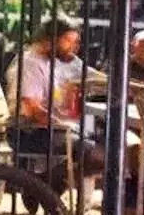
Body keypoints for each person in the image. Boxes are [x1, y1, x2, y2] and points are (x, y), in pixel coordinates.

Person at [9, 19, 100, 183]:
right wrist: (68, 125)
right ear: (49, 39)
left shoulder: (50, 61)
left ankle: (44, 183)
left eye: (75, 42)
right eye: (68, 41)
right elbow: (33, 110)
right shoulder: (30, 64)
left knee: (103, 141)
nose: (73, 47)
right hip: (31, 131)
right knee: (97, 153)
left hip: (53, 126)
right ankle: (42, 184)